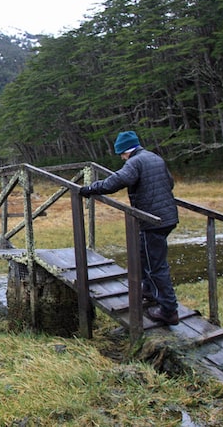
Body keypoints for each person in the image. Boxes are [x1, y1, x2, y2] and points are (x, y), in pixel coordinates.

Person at [79, 131, 180, 325]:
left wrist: (91, 189)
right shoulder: (154, 157)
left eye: (121, 154)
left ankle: (168, 310)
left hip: (152, 221)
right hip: (166, 217)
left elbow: (116, 181)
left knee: (156, 266)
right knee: (146, 256)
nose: (122, 158)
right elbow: (170, 182)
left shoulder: (135, 162)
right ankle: (149, 291)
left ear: (125, 151)